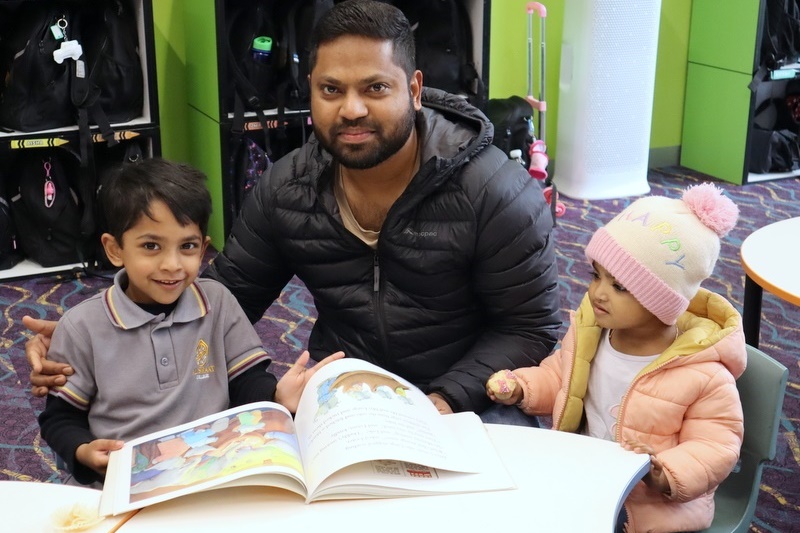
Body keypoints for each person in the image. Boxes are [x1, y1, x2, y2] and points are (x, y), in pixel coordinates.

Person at [25, 0, 560, 422]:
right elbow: (225, 296)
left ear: (414, 89)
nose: (351, 109)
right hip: (344, 394)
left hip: (472, 395)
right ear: (311, 91)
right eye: (332, 89)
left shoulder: (496, 191)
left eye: (375, 88)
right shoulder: (289, 188)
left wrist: (442, 401)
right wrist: (95, 330)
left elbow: (531, 328)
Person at [36, 158, 342, 487]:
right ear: (114, 249)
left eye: (187, 247)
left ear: (204, 247)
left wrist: (277, 397)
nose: (172, 265)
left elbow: (246, 382)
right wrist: (84, 451)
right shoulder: (83, 327)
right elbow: (60, 417)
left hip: (216, 471)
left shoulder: (218, 302)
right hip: (130, 484)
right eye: (151, 246)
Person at [485, 183, 746, 533]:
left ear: (661, 302)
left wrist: (662, 472)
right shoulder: (593, 332)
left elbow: (715, 445)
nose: (598, 292)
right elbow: (562, 375)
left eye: (619, 287)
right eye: (597, 275)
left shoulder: (704, 373)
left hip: (647, 504)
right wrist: (522, 387)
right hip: (585, 471)